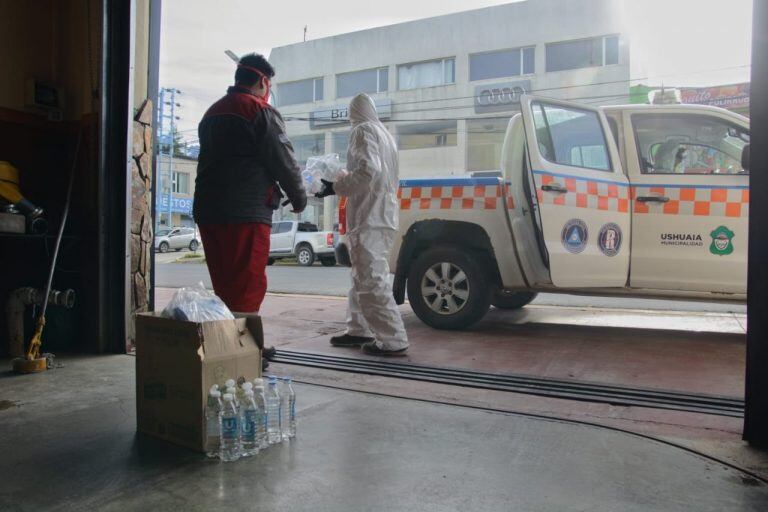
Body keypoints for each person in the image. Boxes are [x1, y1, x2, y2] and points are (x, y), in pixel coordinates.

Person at [193, 53, 306, 368]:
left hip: (208, 212)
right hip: (244, 213)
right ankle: (241, 356)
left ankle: (237, 345)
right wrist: (299, 197)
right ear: (263, 81)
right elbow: (283, 159)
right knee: (247, 284)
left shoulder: (211, 112)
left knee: (225, 285)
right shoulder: (259, 111)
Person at [316, 93, 409, 356]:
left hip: (370, 214)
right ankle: (359, 330)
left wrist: (335, 186)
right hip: (383, 214)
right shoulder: (385, 135)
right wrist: (344, 179)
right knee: (362, 274)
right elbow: (376, 173)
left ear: (353, 112)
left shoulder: (362, 130)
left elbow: (369, 171)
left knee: (370, 278)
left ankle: (393, 340)